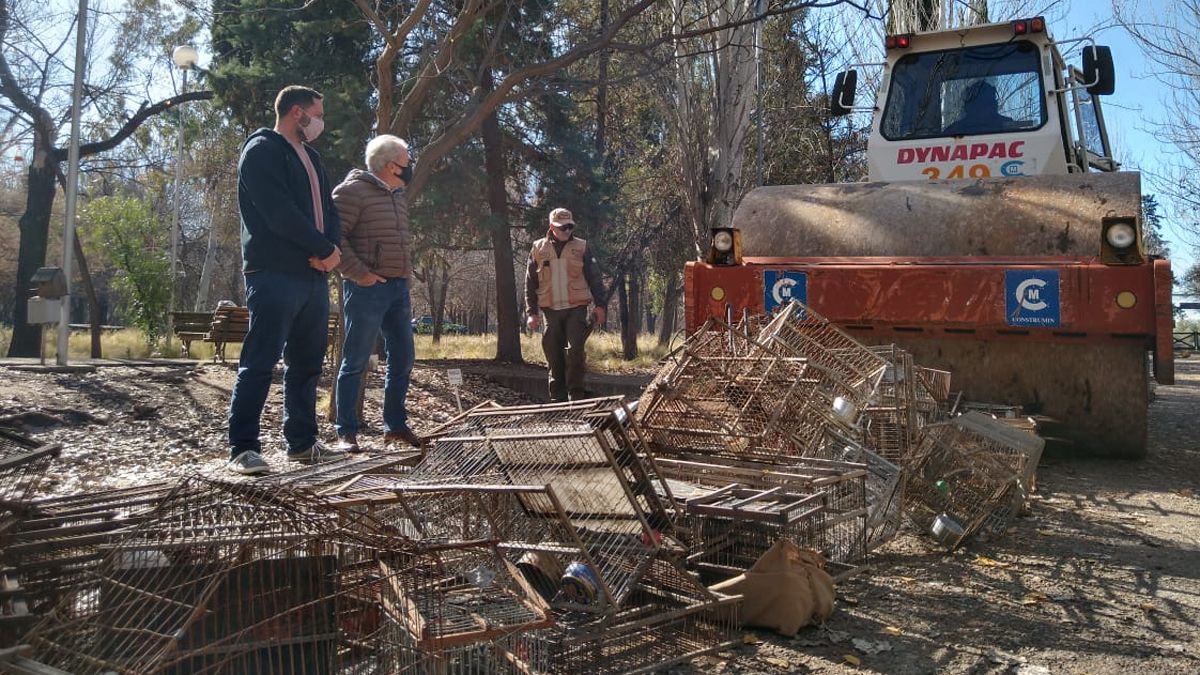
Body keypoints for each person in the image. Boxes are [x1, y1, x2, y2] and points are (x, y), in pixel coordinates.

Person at [226, 85, 345, 475]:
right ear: (298, 112)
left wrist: (331, 250)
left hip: (313, 276)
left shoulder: (312, 157)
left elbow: (329, 210)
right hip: (274, 273)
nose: (321, 124)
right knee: (260, 361)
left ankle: (302, 443)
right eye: (318, 114)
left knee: (306, 364)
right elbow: (279, 212)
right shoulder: (261, 151)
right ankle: (243, 448)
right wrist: (319, 246)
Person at [331, 135, 421, 452]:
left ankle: (394, 426)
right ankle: (346, 431)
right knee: (355, 360)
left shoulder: (398, 194)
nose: (409, 167)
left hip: (398, 289)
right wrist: (361, 274)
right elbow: (334, 238)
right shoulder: (352, 191)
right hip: (366, 288)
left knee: (403, 358)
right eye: (405, 162)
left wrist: (405, 277)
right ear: (387, 164)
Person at [524, 208, 607, 402]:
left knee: (575, 350)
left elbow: (595, 278)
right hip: (550, 311)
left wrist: (600, 306)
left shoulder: (582, 247)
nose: (567, 231)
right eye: (563, 227)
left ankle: (575, 396)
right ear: (552, 227)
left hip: (576, 309)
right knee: (553, 354)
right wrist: (531, 312)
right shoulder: (538, 248)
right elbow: (529, 282)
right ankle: (557, 398)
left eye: (570, 226)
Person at [944, 80, 1018, 136]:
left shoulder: (1007, 126)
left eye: (987, 102)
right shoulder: (954, 131)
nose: (984, 108)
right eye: (980, 103)